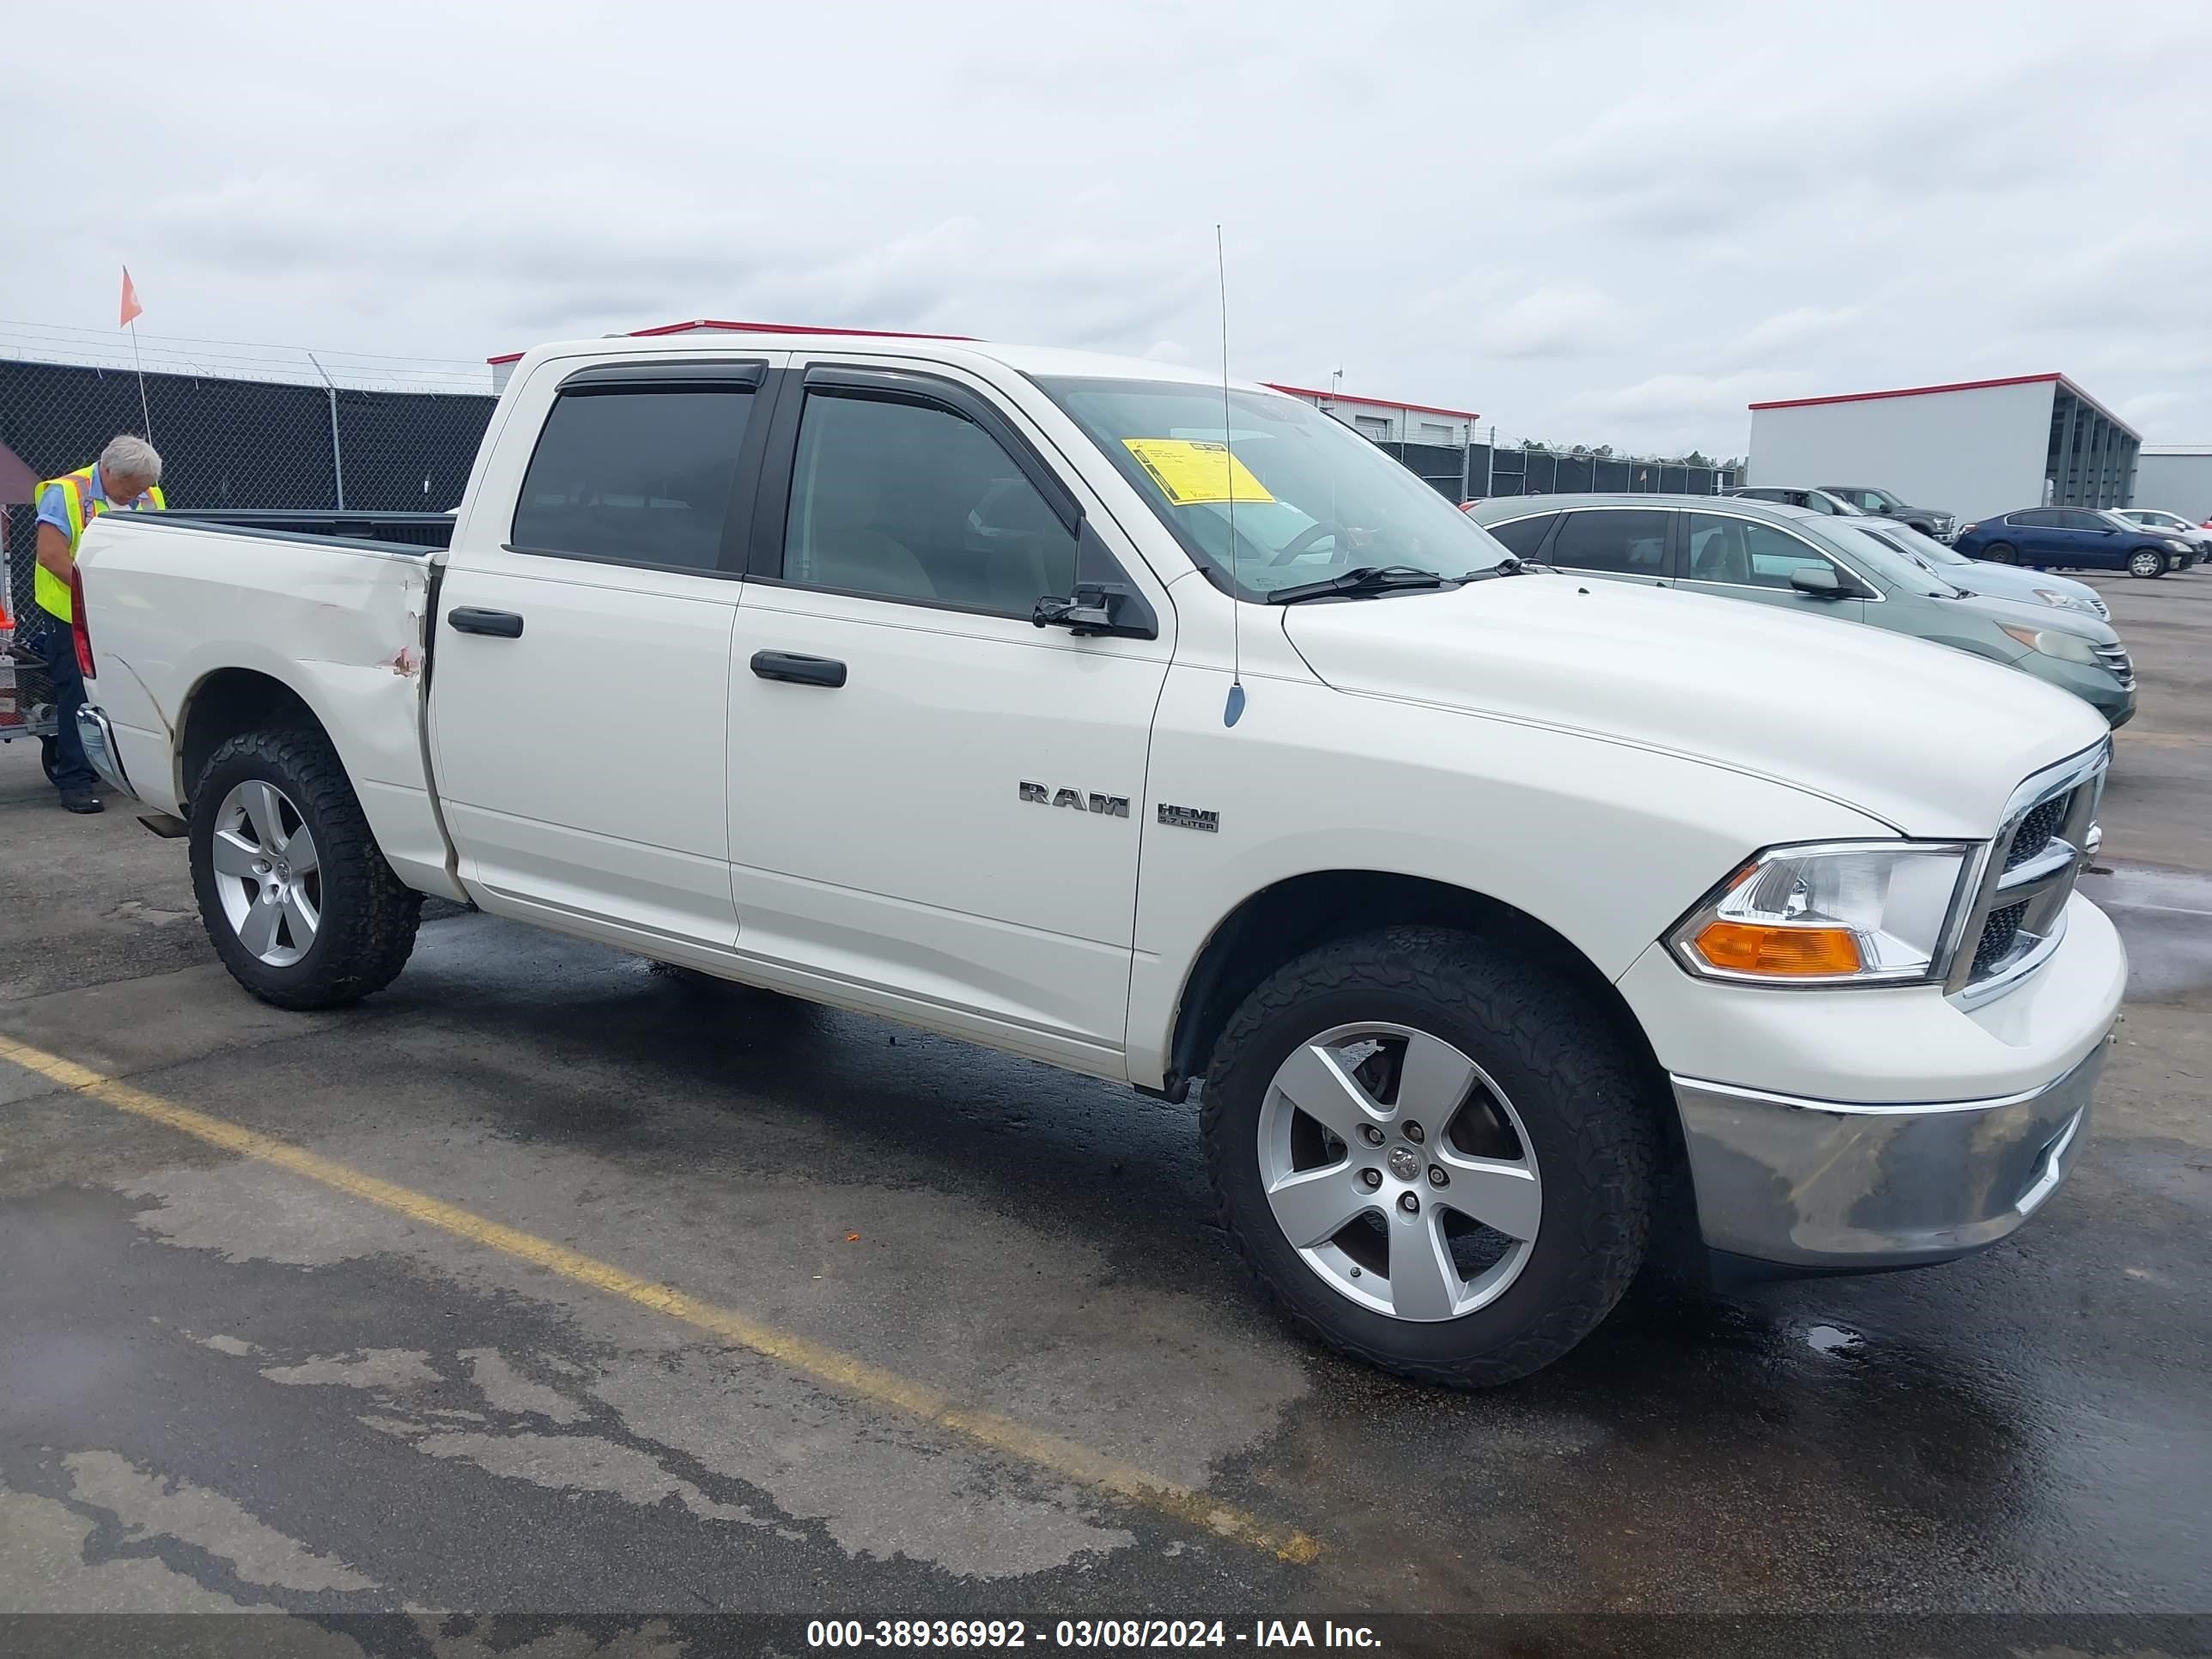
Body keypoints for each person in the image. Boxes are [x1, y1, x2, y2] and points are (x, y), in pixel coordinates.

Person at [31, 434, 165, 813]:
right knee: (78, 692)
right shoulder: (65, 492)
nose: (134, 496)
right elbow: (51, 555)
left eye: (142, 488)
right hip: (71, 611)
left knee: (130, 686)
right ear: (106, 471)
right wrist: (96, 594)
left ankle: (125, 768)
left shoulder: (149, 496)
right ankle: (75, 780)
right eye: (128, 488)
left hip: (125, 610)